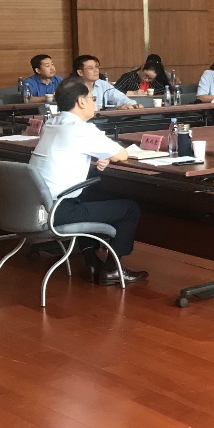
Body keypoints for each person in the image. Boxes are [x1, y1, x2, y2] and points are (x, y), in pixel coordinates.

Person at [29, 77, 147, 286]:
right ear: (81, 101)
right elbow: (121, 154)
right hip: (57, 210)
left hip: (34, 206)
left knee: (90, 195)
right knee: (130, 209)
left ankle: (92, 262)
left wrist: (100, 155)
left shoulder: (51, 123)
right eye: (92, 98)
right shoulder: (81, 129)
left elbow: (68, 150)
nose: (95, 102)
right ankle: (112, 269)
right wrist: (109, 155)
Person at [73, 55, 138, 110]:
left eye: (96, 67)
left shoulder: (102, 84)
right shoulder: (72, 88)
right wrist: (115, 108)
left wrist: (133, 105)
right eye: (91, 68)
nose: (96, 70)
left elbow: (121, 98)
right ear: (80, 72)